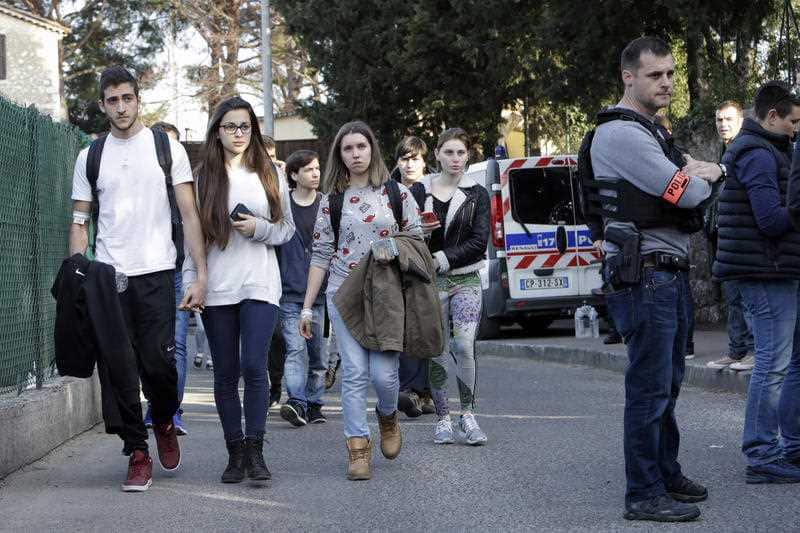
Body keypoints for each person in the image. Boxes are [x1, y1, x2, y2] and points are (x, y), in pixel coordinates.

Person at [589, 37, 721, 522]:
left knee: (667, 383)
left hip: (663, 272)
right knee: (649, 388)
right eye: (654, 75)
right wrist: (712, 173)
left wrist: (700, 172)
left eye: (669, 73)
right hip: (645, 274)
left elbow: (684, 183)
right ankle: (643, 493)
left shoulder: (650, 129)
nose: (666, 82)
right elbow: (685, 193)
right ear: (629, 77)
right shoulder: (623, 134)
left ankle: (665, 472)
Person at [69, 66, 207, 492]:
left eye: (127, 98)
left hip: (158, 274)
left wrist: (199, 275)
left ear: (138, 99)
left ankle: (163, 418)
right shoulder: (90, 156)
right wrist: (77, 274)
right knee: (119, 371)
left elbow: (188, 214)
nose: (121, 106)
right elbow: (79, 220)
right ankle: (137, 451)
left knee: (159, 365)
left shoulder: (167, 148)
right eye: (112, 100)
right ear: (103, 105)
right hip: (110, 278)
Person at [299, 120, 422, 480]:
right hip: (343, 294)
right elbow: (321, 254)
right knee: (353, 373)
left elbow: (416, 238)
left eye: (361, 147)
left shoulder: (397, 193)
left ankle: (387, 416)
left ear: (372, 150)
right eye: (348, 148)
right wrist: (307, 307)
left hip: (386, 295)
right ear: (340, 154)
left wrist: (393, 249)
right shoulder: (331, 202)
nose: (355, 154)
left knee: (384, 376)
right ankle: (357, 449)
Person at [183, 96, 294, 484]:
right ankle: (235, 452)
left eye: (245, 126)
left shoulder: (270, 172)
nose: (238, 133)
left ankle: (256, 448)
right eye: (230, 126)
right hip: (217, 288)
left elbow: (287, 229)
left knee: (253, 365)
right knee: (226, 373)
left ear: (254, 129)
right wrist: (191, 282)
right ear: (217, 131)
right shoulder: (202, 177)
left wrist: (259, 228)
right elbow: (192, 239)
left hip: (261, 283)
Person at [714, 81, 800, 483]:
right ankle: (762, 453)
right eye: (792, 121)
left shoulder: (767, 150)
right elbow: (770, 220)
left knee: (789, 361)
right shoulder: (759, 156)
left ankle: (791, 446)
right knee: (773, 362)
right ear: (771, 117)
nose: (796, 129)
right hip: (766, 271)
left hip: (776, 269)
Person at [411, 128, 490, 445]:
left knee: (464, 345)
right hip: (430, 284)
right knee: (437, 350)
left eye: (461, 153)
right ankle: (443, 419)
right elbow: (405, 233)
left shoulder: (478, 193)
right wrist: (421, 233)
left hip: (466, 278)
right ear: (437, 155)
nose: (455, 159)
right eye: (449, 153)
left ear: (468, 155)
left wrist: (441, 258)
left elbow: (479, 241)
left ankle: (468, 416)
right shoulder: (419, 191)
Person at [142, 121, 189, 436]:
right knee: (148, 347)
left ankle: (172, 411)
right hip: (147, 273)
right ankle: (156, 406)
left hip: (180, 272)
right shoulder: (143, 183)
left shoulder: (187, 185)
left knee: (179, 345)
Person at [277, 150, 327, 426]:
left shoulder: (327, 204)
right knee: (296, 349)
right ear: (294, 175)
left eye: (317, 168)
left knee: (318, 353)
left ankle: (315, 402)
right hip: (289, 291)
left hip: (321, 293)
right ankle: (296, 401)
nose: (315, 173)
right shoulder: (283, 206)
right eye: (308, 169)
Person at [706, 101, 755, 372]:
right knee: (732, 296)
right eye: (718, 120)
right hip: (723, 235)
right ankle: (737, 350)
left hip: (743, 237)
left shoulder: (745, 150)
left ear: (740, 121)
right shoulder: (724, 149)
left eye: (727, 119)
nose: (722, 125)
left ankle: (753, 351)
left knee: (747, 297)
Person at [393, 136, 436, 416]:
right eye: (404, 159)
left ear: (424, 162)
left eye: (415, 159)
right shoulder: (388, 191)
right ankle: (411, 391)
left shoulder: (432, 189)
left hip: (431, 268)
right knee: (405, 332)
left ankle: (426, 392)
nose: (409, 164)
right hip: (398, 269)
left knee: (429, 330)